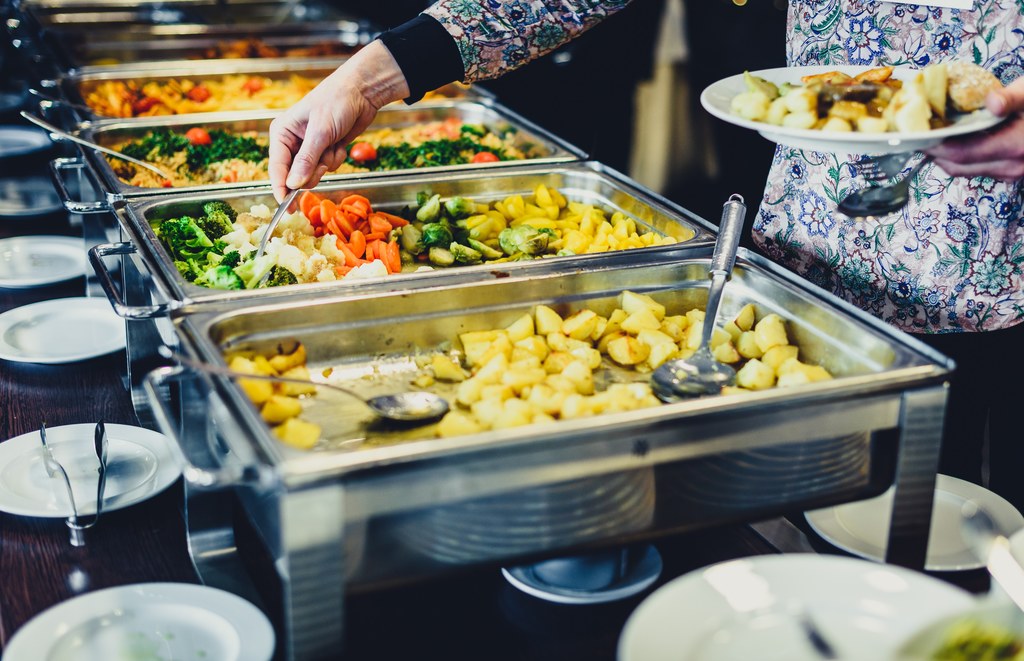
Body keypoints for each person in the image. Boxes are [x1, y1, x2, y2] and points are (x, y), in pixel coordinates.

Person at [269, 1, 1024, 510]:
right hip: (814, 260)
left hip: (1002, 266)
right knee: (839, 537)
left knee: (978, 545)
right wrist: (371, 75)